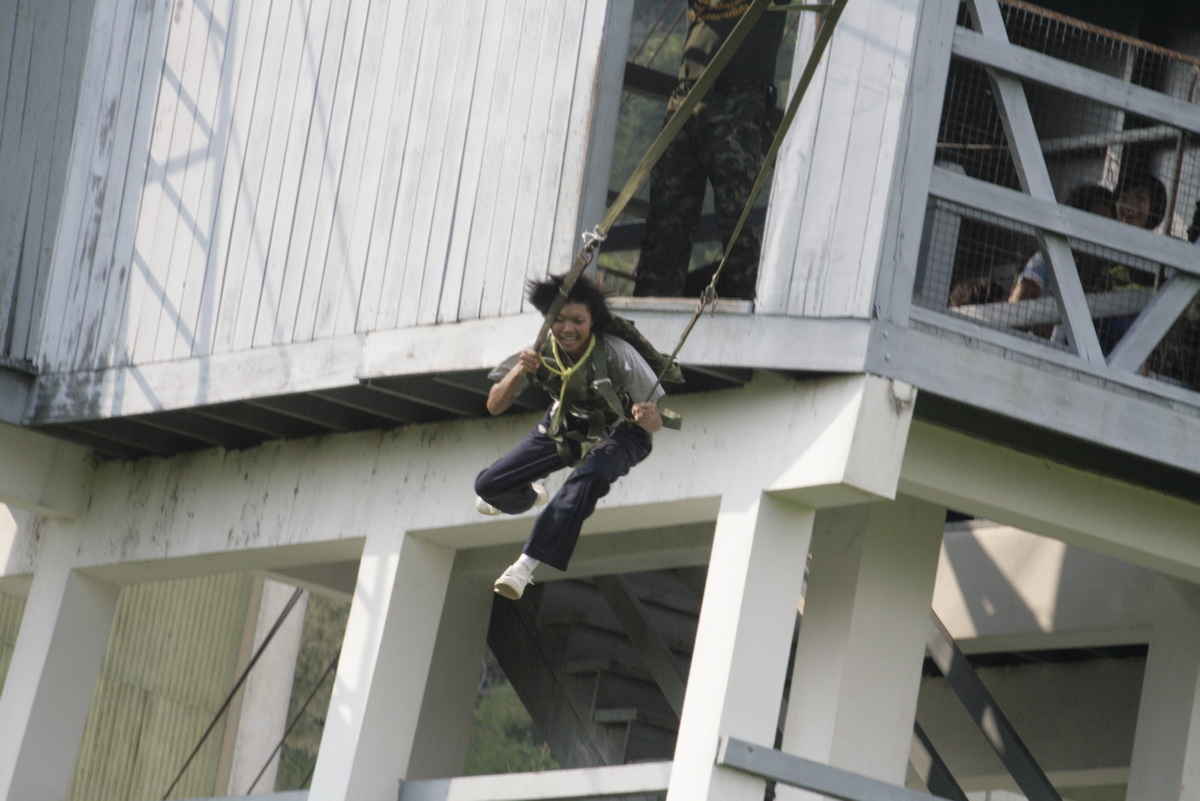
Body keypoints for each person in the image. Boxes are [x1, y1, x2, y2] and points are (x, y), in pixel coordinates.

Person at [476, 274, 666, 600]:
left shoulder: (619, 354)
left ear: (593, 322)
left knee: (589, 478)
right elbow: (494, 405)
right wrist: (520, 371)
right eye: (560, 319)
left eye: (578, 321)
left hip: (623, 432)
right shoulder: (539, 350)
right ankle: (529, 496)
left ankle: (524, 566)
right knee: (488, 486)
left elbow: (656, 423)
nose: (568, 329)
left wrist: (647, 417)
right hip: (567, 424)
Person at [633, 0, 785, 301]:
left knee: (736, 220)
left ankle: (746, 305)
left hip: (738, 99)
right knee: (667, 219)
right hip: (687, 95)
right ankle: (651, 308)